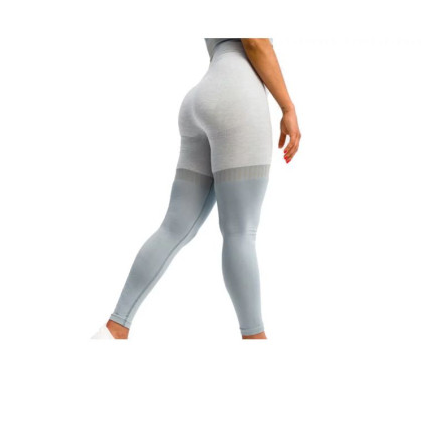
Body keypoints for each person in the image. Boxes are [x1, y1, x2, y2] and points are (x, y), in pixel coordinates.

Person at [92, 38, 301, 340]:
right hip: (238, 95)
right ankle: (256, 342)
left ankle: (112, 331)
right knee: (240, 232)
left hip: (203, 94)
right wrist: (288, 107)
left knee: (173, 228)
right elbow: (255, 42)